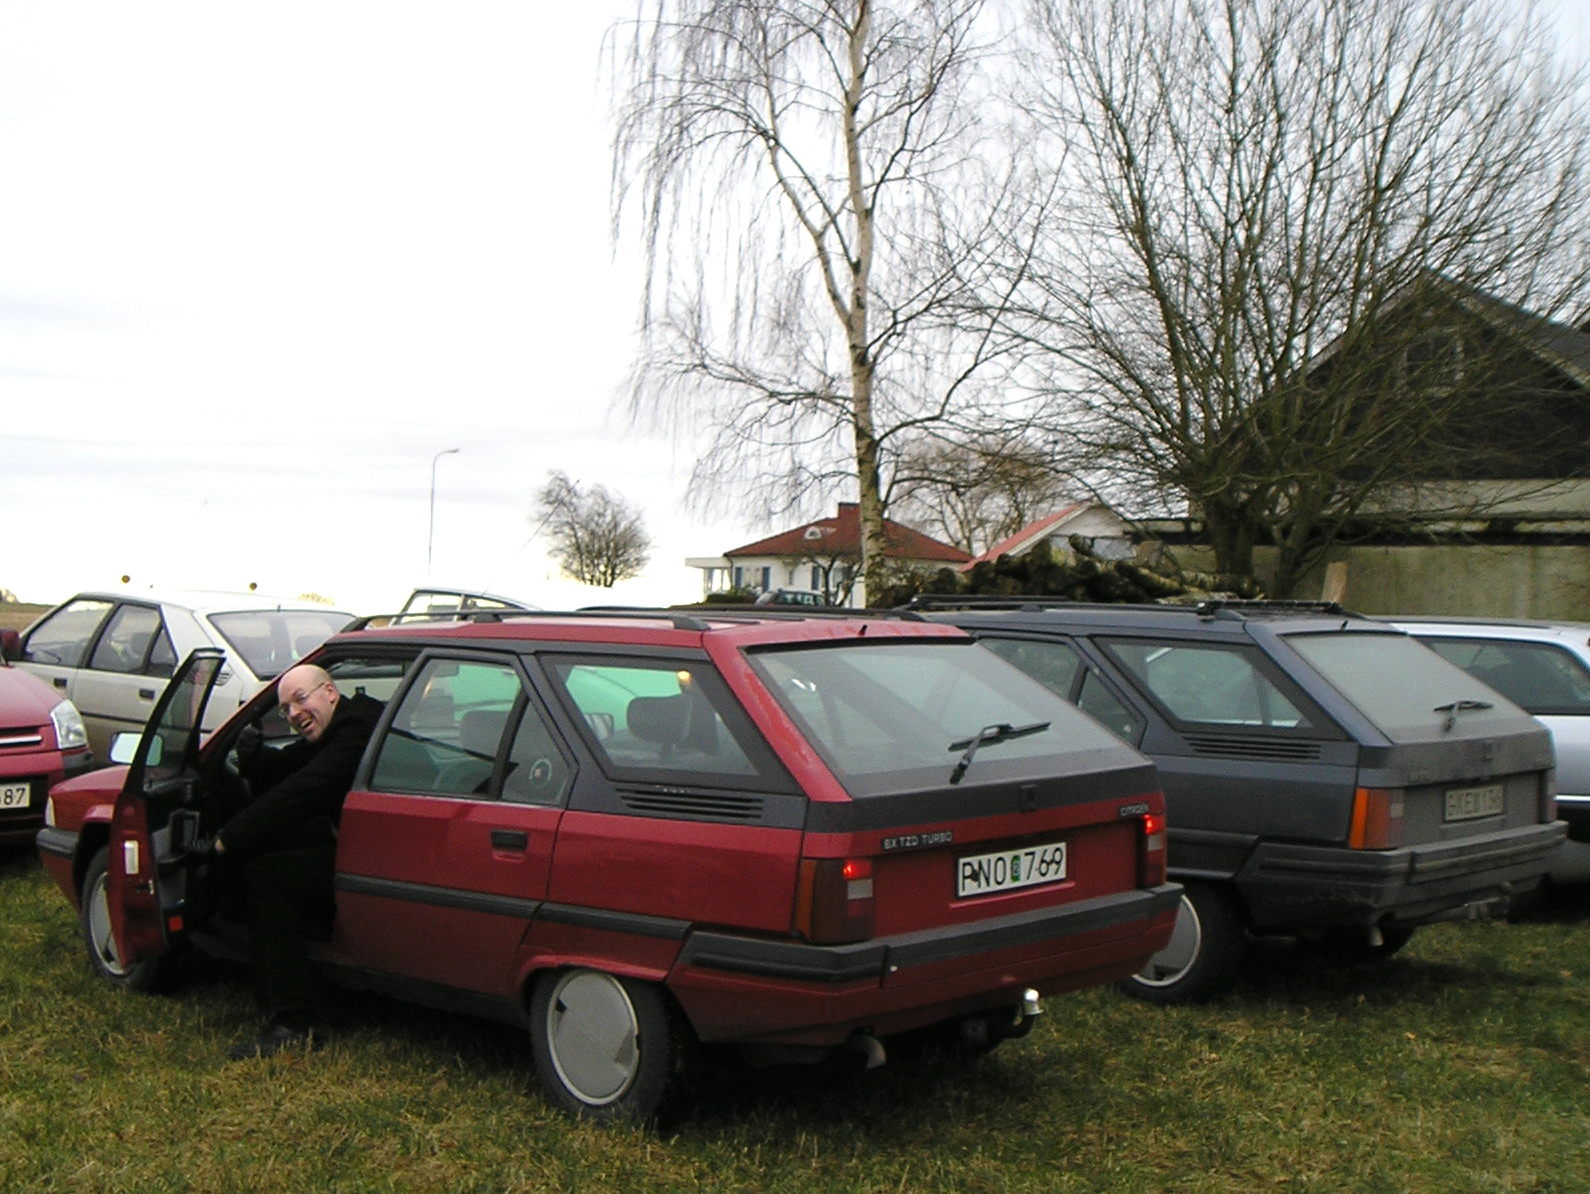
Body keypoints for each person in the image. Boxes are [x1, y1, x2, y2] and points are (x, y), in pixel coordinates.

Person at [212, 662, 384, 1060]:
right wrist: (254, 759)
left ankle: (293, 1020)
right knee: (276, 852)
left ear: (330, 691)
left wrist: (229, 838)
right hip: (366, 849)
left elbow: (307, 788)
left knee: (267, 876)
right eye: (285, 709)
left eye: (300, 699)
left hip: (377, 859)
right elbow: (296, 766)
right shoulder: (345, 722)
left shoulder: (357, 728)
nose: (293, 714)